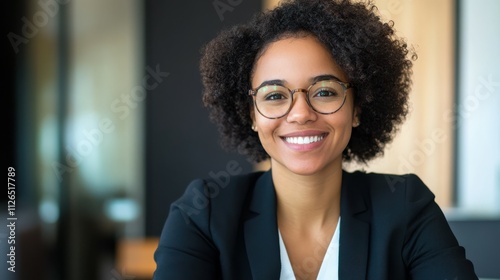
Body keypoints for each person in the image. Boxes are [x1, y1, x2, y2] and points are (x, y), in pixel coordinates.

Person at [152, 0, 478, 279]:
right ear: (251, 115)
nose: (300, 114)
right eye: (275, 95)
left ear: (357, 108)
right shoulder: (202, 214)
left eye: (324, 91)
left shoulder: (406, 207)